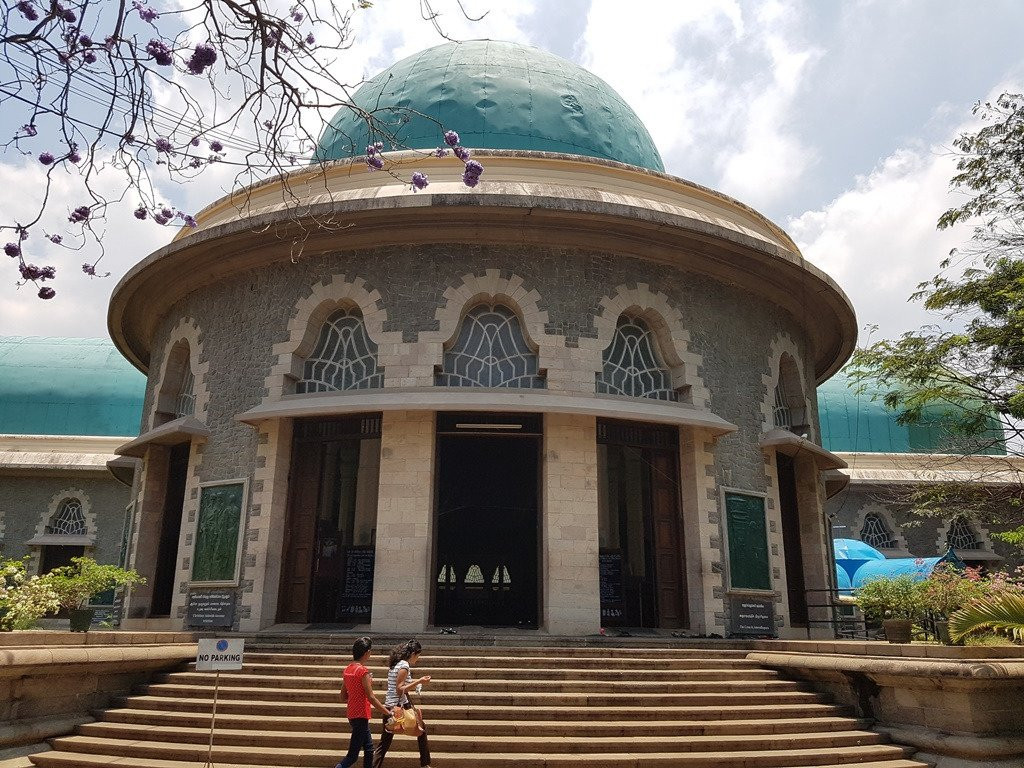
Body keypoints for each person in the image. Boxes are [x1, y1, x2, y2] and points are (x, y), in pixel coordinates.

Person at [374, 639, 432, 768]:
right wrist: (419, 681)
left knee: (385, 742)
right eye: (418, 656)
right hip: (396, 708)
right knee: (419, 729)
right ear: (413, 654)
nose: (417, 659)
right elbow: (400, 689)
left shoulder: (396, 664)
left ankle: (425, 763)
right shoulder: (404, 666)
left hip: (390, 705)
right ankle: (425, 763)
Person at [337, 636, 391, 768]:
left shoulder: (348, 669)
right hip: (361, 714)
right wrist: (387, 712)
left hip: (352, 713)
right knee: (352, 755)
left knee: (369, 748)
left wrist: (355, 694)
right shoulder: (363, 671)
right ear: (367, 653)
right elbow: (371, 697)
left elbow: (343, 696)